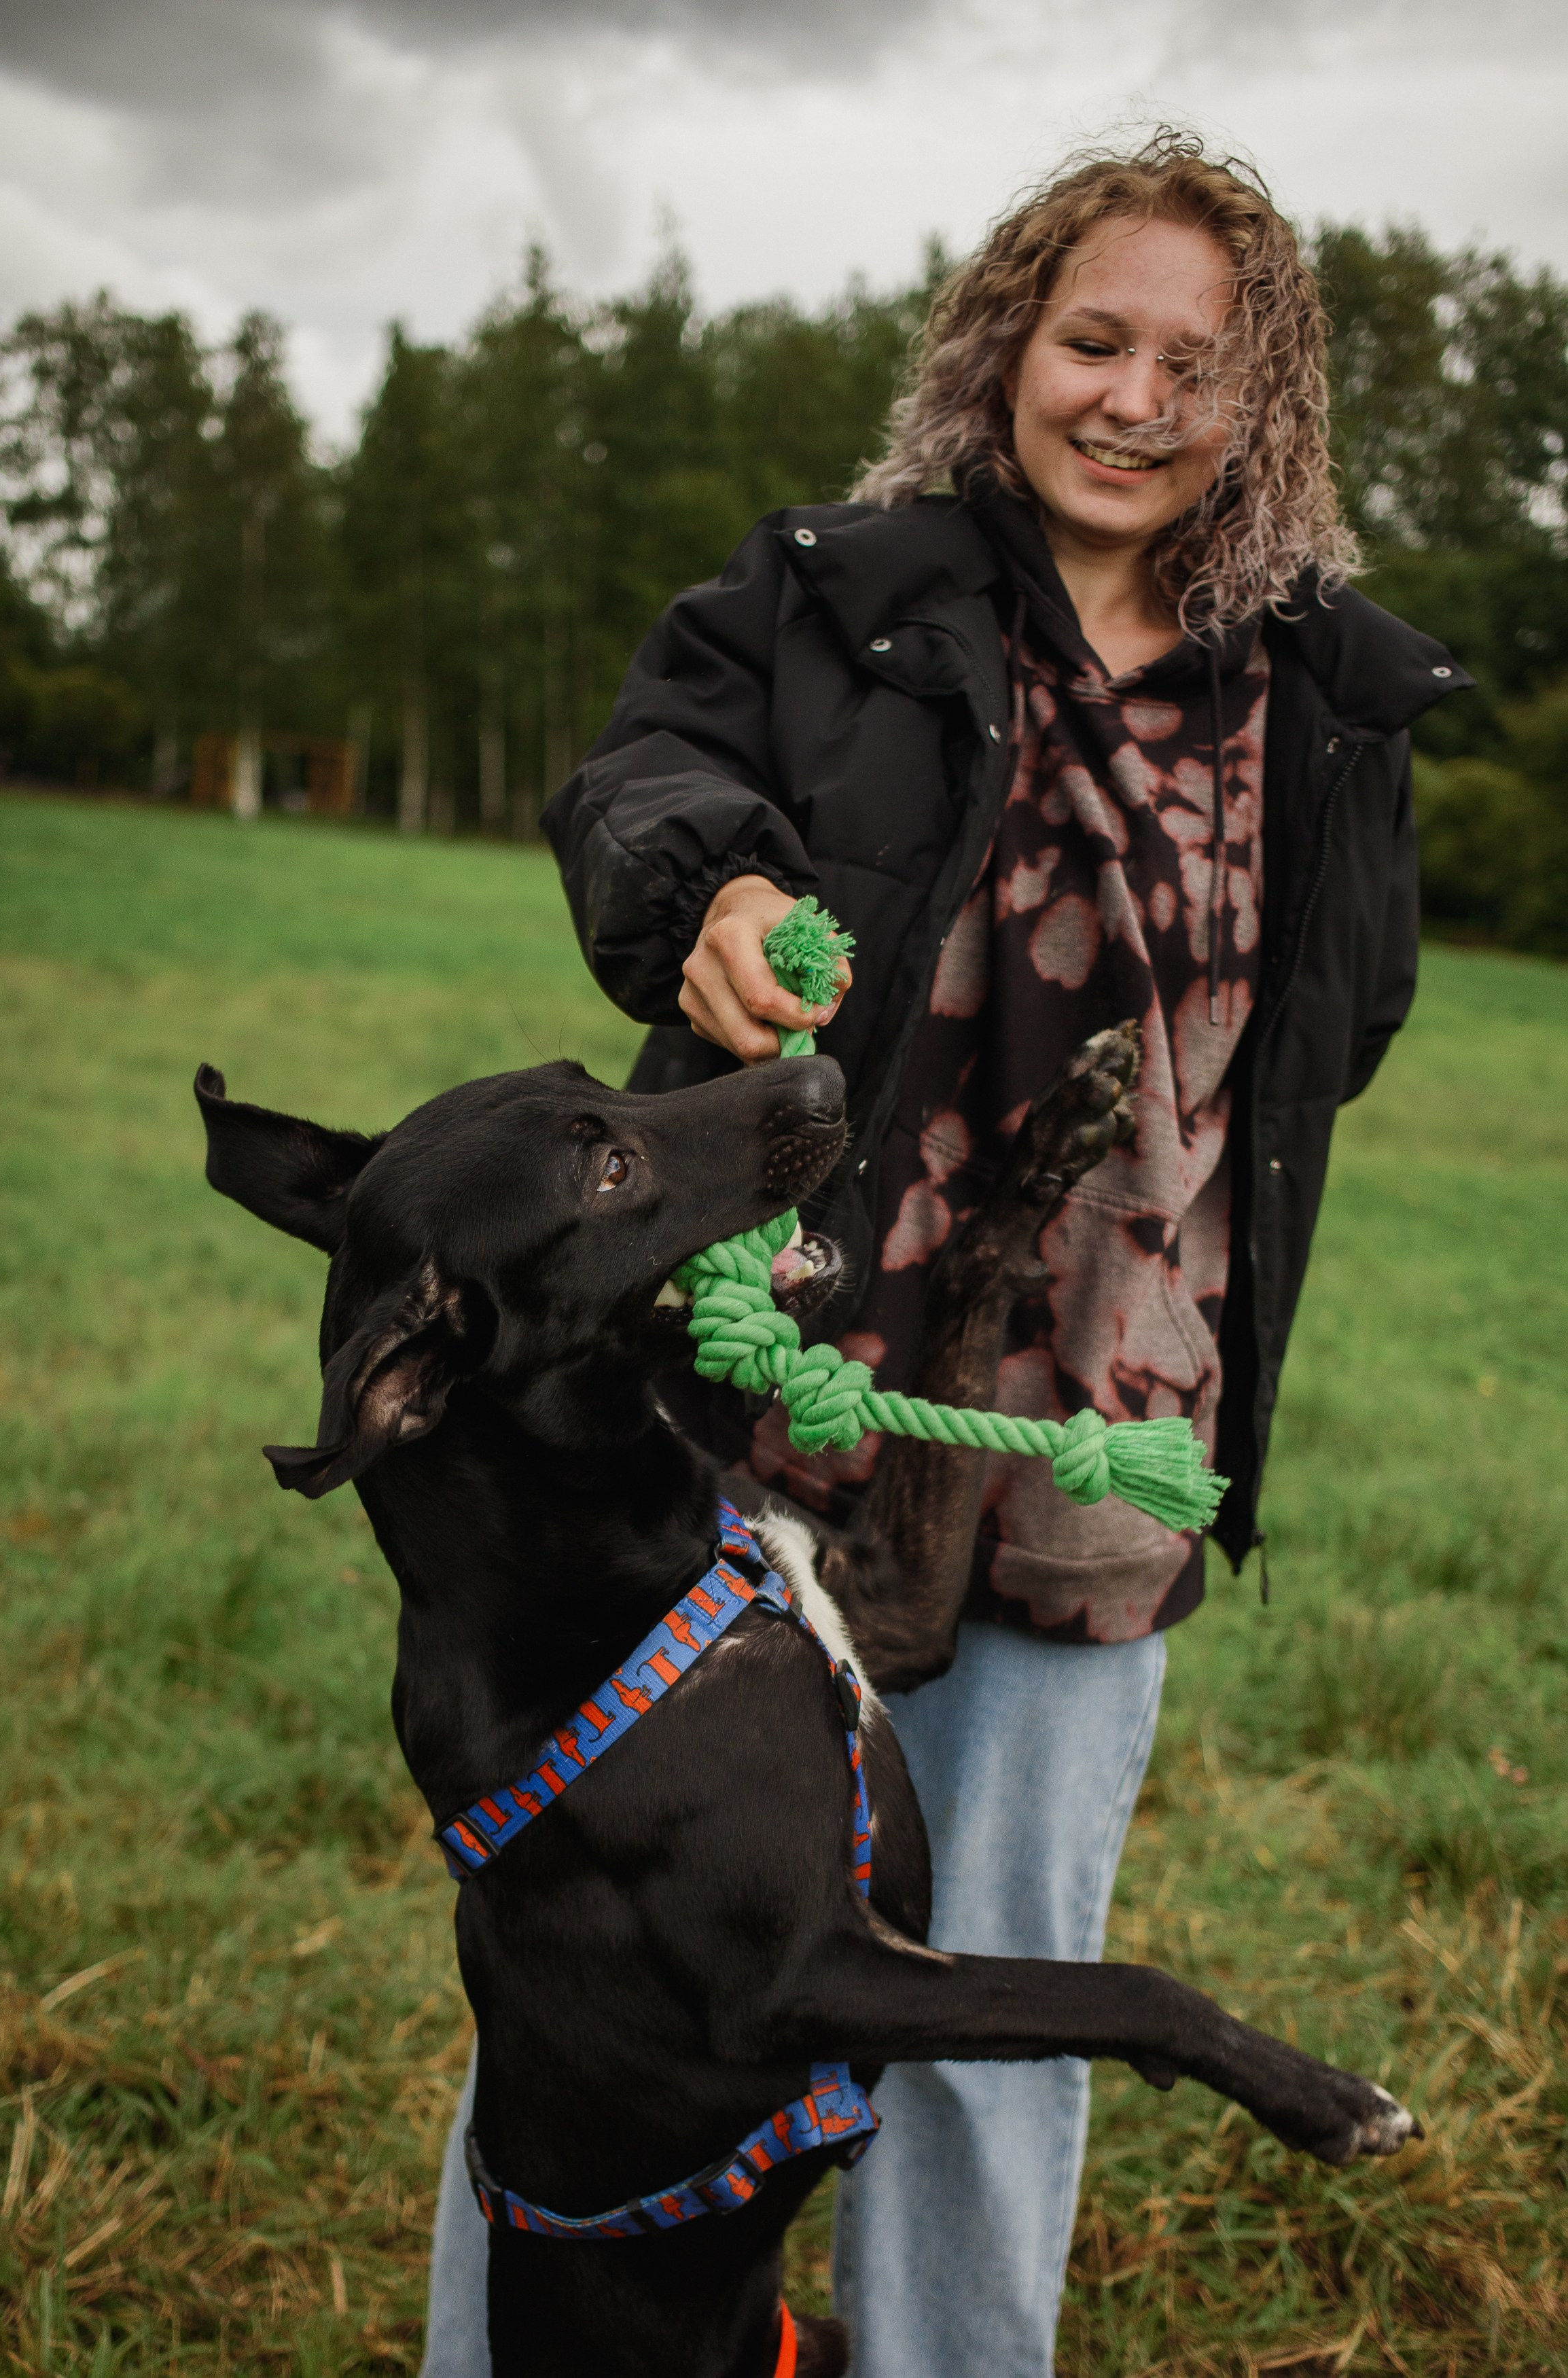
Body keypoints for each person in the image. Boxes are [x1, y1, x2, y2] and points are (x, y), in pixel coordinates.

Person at [421, 130, 1469, 2378]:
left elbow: (1337, 1026)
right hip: (761, 1396)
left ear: (1259, 406)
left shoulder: (1323, 697)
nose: (1132, 398)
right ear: (1007, 347)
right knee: (597, 1954)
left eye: (1196, 365)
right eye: (1093, 339)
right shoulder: (837, 593)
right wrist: (704, 892)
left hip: (1093, 1428)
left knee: (1004, 1982)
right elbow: (645, 776)